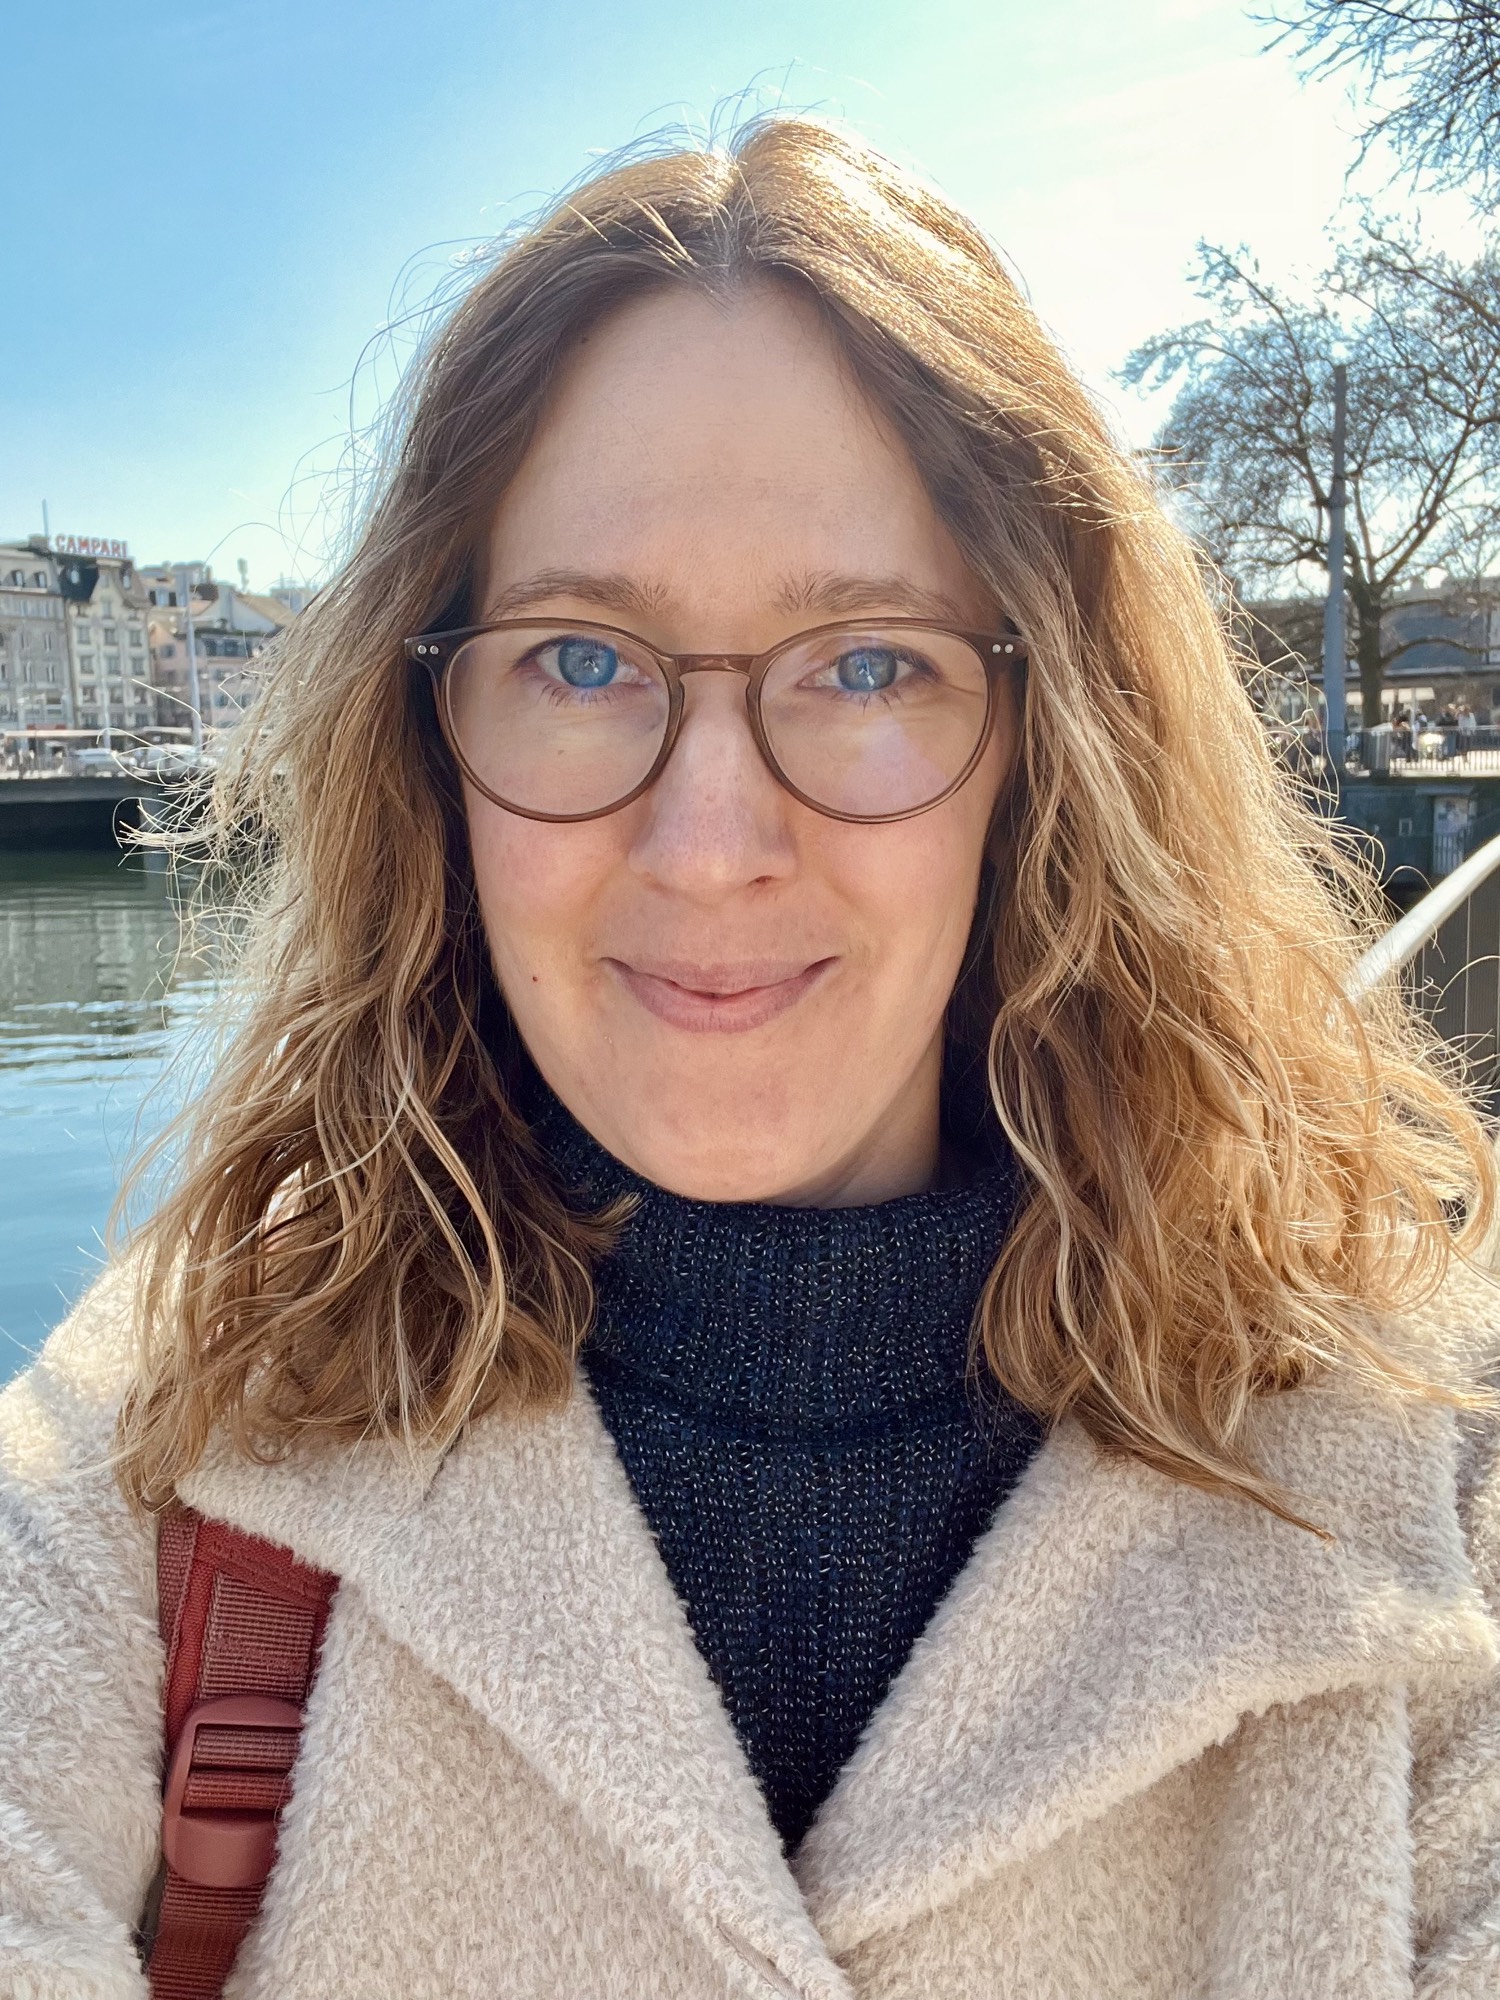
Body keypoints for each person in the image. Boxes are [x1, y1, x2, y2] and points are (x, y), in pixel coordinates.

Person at [3, 120, 1499, 2000]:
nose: (710, 847)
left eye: (867, 665)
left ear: (1051, 746)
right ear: (429, 749)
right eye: (580, 661)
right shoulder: (167, 1442)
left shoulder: (1424, 1466)